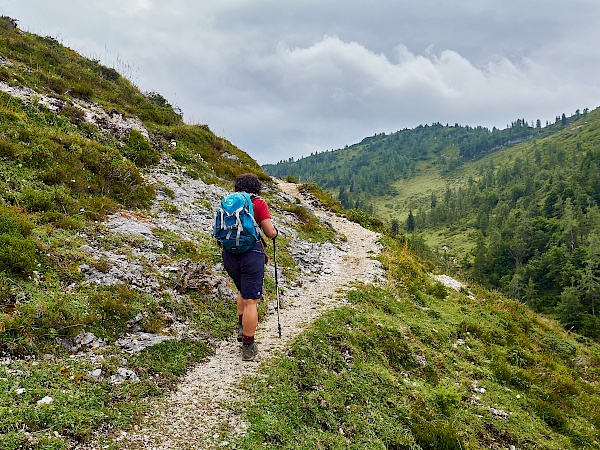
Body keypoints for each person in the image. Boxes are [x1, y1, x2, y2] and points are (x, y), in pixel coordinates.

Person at [221, 173, 277, 361]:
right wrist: (275, 233)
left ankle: (240, 326)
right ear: (256, 187)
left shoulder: (229, 202)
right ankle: (248, 345)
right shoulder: (258, 203)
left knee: (242, 291)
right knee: (251, 300)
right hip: (251, 254)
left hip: (229, 254)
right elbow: (269, 232)